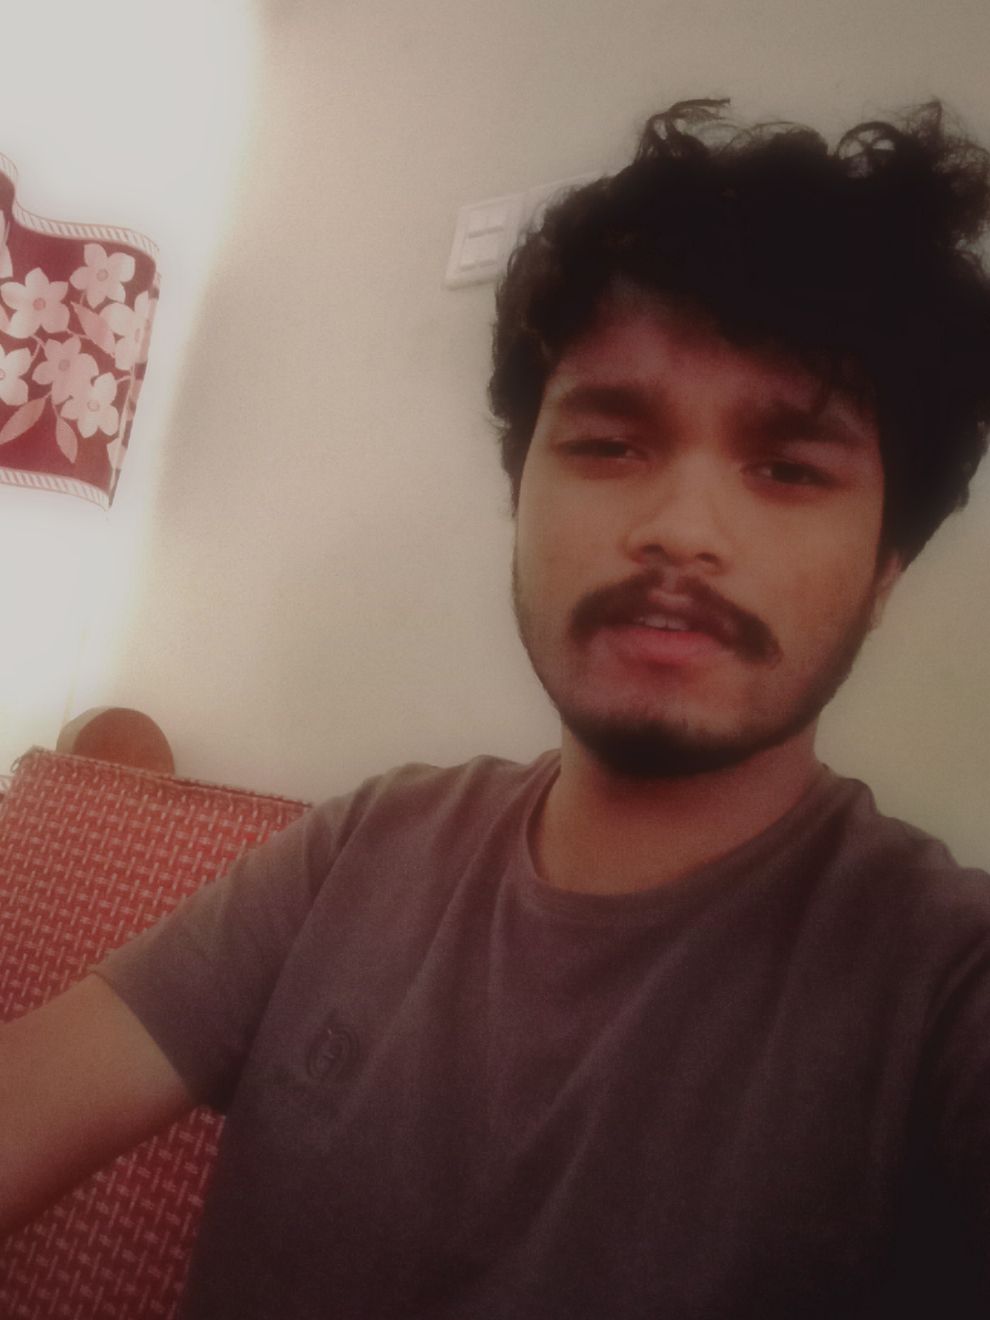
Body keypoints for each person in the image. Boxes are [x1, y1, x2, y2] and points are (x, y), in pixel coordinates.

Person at [3, 97, 990, 1318]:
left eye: (788, 468)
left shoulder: (940, 990)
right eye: (611, 445)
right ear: (521, 499)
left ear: (889, 568)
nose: (681, 528)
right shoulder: (365, 849)